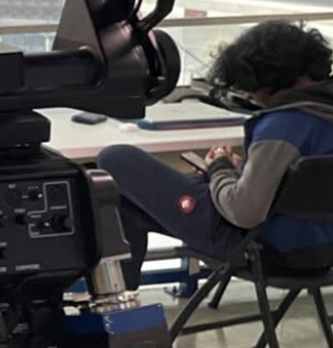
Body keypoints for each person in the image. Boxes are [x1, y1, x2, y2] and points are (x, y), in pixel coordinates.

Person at [98, 22, 333, 290]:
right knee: (123, 202)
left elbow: (245, 212)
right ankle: (121, 300)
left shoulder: (283, 126)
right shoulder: (321, 115)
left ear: (266, 74)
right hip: (321, 251)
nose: (251, 95)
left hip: (258, 248)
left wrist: (219, 168)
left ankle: (117, 305)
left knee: (116, 159)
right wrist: (241, 173)